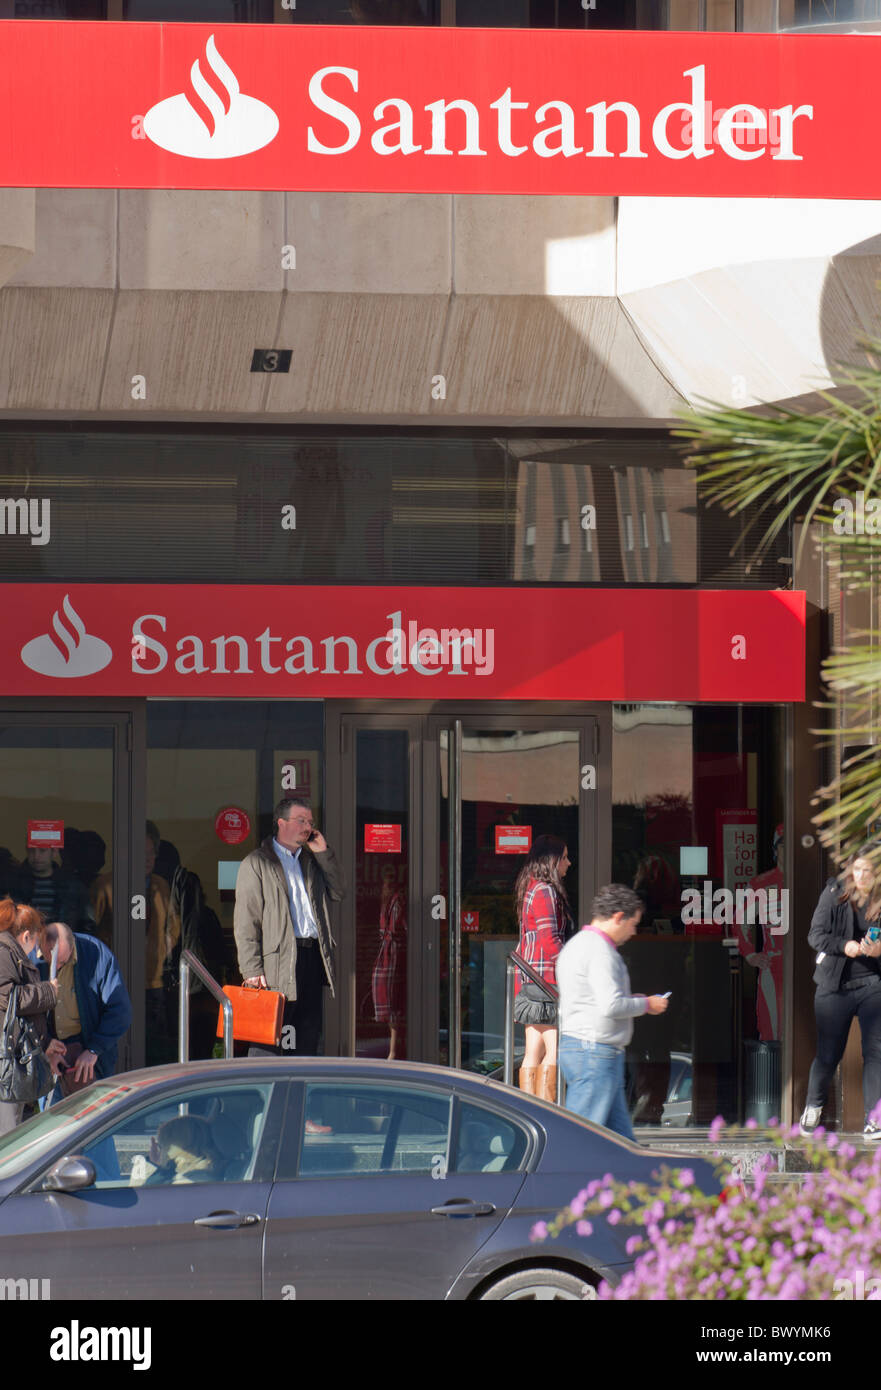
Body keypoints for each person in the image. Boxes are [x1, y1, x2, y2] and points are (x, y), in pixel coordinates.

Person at [234, 797, 345, 1059]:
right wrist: (251, 969)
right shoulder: (257, 862)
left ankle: (297, 1095)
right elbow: (246, 920)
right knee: (267, 1041)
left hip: (311, 956)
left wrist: (322, 851)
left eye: (310, 822)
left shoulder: (312, 860)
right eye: (301, 820)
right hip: (278, 961)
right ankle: (263, 1096)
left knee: (306, 1038)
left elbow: (339, 891)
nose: (307, 827)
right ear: (281, 823)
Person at [556, 884, 669, 1141]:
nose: (634, 931)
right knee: (581, 1139)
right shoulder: (600, 951)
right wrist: (647, 1004)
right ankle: (568, 1180)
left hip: (588, 1049)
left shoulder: (577, 945)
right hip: (595, 1053)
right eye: (633, 923)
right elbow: (611, 1005)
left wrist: (636, 1001)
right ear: (618, 917)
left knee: (619, 1142)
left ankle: (624, 1179)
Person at [801, 842, 881, 1139]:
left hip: (873, 984)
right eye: (857, 869)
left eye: (868, 871)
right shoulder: (834, 892)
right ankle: (814, 1105)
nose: (861, 875)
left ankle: (874, 1120)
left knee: (875, 1053)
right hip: (835, 986)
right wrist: (844, 946)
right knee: (828, 1053)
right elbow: (815, 935)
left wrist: (878, 950)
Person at [93, 821, 180, 1064]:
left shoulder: (160, 886)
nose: (146, 859)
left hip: (152, 980)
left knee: (151, 1043)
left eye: (150, 853)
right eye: (140, 853)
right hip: (115, 977)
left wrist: (160, 952)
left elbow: (173, 926)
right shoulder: (106, 885)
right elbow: (94, 927)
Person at [38, 920, 132, 1096]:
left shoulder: (95, 953)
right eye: (51, 962)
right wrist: (45, 1046)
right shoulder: (34, 958)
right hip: (50, 1054)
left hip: (88, 1049)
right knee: (54, 1118)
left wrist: (94, 1049)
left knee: (95, 1116)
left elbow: (120, 1010)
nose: (56, 968)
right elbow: (26, 1012)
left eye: (62, 962)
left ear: (72, 945)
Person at [512, 835, 574, 1102]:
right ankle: (548, 1113)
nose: (569, 863)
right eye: (565, 857)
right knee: (555, 1049)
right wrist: (573, 967)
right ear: (553, 860)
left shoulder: (530, 887)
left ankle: (529, 1110)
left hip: (530, 979)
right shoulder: (546, 890)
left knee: (532, 1051)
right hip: (546, 980)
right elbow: (550, 940)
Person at [0, 899, 65, 1134]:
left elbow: (20, 1017)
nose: (37, 948)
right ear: (27, 935)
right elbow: (8, 998)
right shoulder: (3, 952)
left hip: (12, 1059)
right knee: (6, 1133)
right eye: (36, 939)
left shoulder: (10, 953)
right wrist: (49, 991)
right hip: (5, 1062)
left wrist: (45, 1043)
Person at [733, 823, 784, 1042]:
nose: (788, 850)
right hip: (773, 966)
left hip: (809, 966)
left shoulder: (812, 883)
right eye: (783, 845)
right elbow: (739, 922)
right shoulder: (760, 885)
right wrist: (751, 955)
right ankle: (773, 1076)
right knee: (771, 1029)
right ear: (775, 849)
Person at [12, 839, 93, 935]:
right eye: (31, 850)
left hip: (62, 945)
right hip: (25, 945)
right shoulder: (14, 885)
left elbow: (87, 926)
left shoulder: (73, 887)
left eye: (42, 851)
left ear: (54, 852)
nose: (36, 856)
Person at [371, 863, 407, 1060]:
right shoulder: (386, 902)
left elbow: (402, 927)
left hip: (394, 955)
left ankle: (393, 1051)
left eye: (389, 881)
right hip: (387, 953)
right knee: (391, 1003)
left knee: (394, 1004)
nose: (385, 886)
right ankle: (393, 1049)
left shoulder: (396, 901)